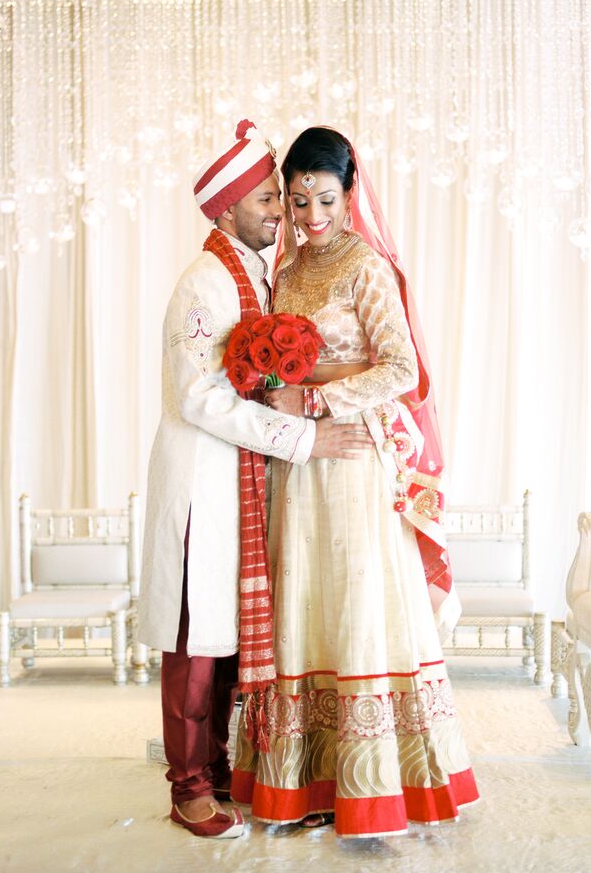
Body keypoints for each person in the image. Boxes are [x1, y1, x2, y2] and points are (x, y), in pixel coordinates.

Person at [231, 126, 479, 838]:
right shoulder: (285, 272)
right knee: (301, 600)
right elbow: (277, 371)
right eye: (299, 200)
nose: (311, 218)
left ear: (350, 196)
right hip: (295, 463)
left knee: (358, 603)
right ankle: (300, 781)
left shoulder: (365, 267)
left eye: (325, 200)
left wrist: (314, 394)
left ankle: (373, 789)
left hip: (353, 463)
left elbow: (402, 372)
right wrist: (273, 388)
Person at [138, 120, 374, 840]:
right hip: (199, 487)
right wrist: (302, 435)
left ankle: (211, 773)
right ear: (224, 208)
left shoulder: (250, 274)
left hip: (236, 483)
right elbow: (200, 399)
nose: (281, 211)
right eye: (268, 198)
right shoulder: (206, 283)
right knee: (193, 646)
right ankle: (187, 790)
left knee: (223, 641)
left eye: (280, 197)